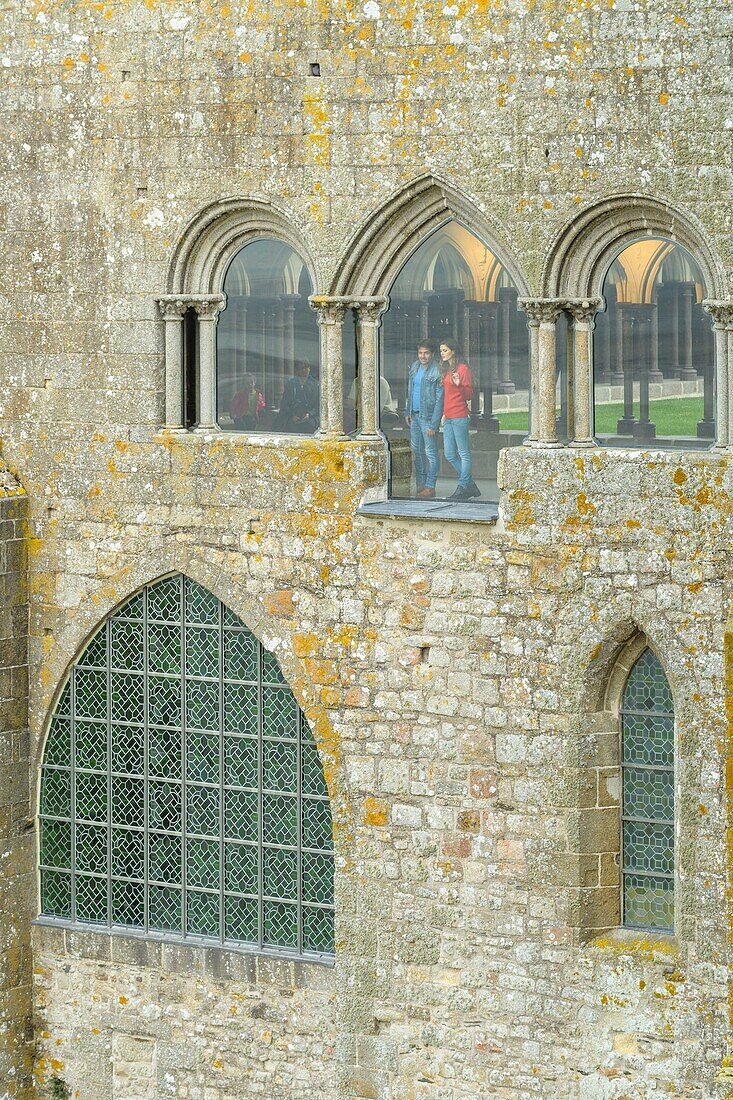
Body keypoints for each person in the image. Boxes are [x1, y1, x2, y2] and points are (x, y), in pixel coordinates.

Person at [439, 339, 481, 500]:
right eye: (441, 350)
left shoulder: (463, 369)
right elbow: (448, 396)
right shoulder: (448, 369)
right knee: (450, 454)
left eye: (445, 350)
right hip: (449, 416)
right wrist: (444, 413)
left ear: (453, 351)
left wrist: (459, 385)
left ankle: (463, 487)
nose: (442, 353)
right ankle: (470, 485)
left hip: (460, 416)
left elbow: (469, 395)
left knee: (463, 453)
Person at [404, 340, 443, 499]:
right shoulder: (414, 367)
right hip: (414, 415)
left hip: (428, 417)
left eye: (426, 353)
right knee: (417, 450)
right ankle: (420, 483)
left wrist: (434, 424)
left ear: (432, 354)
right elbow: (410, 389)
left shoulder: (437, 370)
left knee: (431, 452)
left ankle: (430, 486)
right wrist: (408, 411)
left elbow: (440, 399)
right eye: (420, 353)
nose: (423, 356)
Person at [276, 359, 320, 433]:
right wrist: (292, 416)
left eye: (306, 367)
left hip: (310, 419)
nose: (304, 370)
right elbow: (285, 404)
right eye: (301, 368)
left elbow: (318, 405)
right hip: (292, 418)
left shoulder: (316, 385)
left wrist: (309, 415)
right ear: (297, 370)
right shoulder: (291, 384)